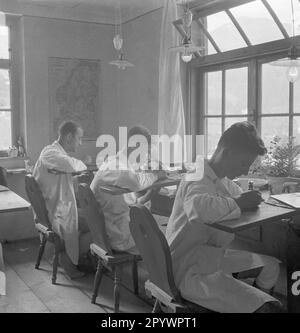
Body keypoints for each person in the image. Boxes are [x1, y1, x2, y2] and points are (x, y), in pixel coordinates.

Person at [166, 121, 283, 313]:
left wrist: (249, 200)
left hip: (209, 258)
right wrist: (239, 202)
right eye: (244, 163)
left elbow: (238, 196)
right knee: (270, 308)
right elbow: (199, 208)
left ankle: (245, 302)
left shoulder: (223, 181)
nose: (245, 171)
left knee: (271, 266)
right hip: (189, 268)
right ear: (226, 153)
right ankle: (252, 303)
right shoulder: (195, 176)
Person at [91, 125, 166, 254]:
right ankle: (164, 272)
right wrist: (157, 175)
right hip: (119, 234)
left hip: (118, 224)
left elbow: (127, 204)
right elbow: (135, 182)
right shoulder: (116, 165)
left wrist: (149, 195)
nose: (147, 155)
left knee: (169, 224)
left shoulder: (121, 164)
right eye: (145, 150)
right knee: (173, 234)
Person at [33, 120, 91, 278]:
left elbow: (58, 181)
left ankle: (74, 257)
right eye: (79, 138)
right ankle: (67, 259)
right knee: (95, 225)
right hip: (53, 211)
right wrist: (84, 164)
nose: (80, 143)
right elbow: (69, 165)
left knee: (89, 221)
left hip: (53, 206)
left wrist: (76, 178)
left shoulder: (55, 154)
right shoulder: (50, 153)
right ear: (69, 137)